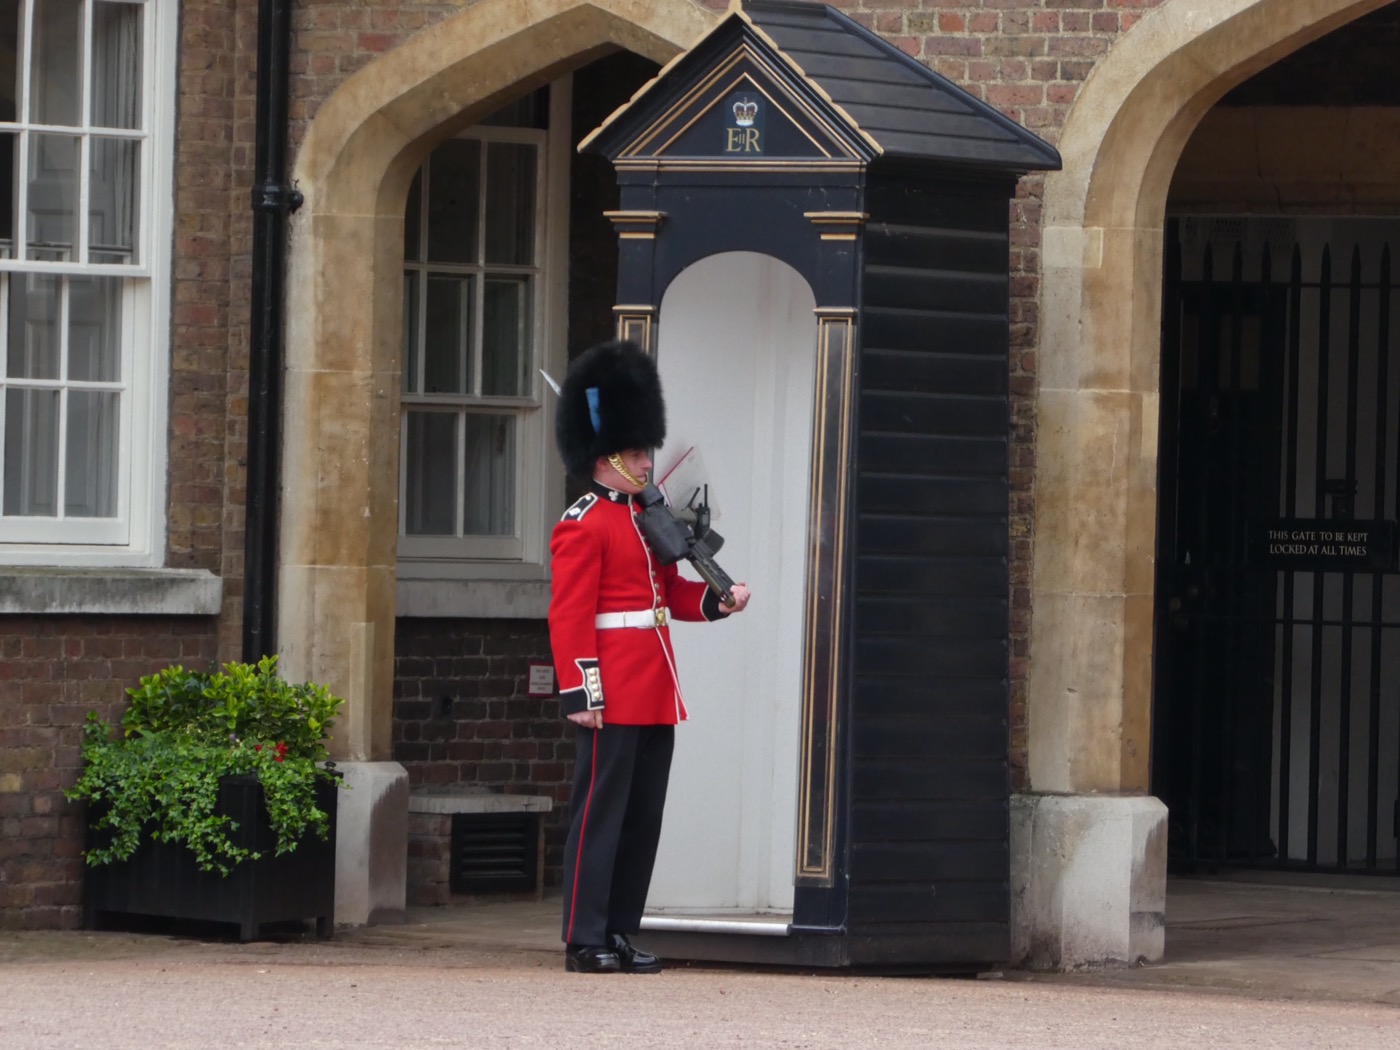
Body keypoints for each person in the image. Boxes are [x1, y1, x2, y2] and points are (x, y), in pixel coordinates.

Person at [549, 340, 751, 975]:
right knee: (600, 817)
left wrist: (719, 601)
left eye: (645, 450)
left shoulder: (645, 520)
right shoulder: (583, 523)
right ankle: (584, 936)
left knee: (641, 819)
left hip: (655, 688)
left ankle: (618, 930)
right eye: (637, 452)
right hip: (610, 690)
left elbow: (665, 600)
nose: (645, 461)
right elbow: (570, 615)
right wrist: (583, 692)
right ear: (606, 458)